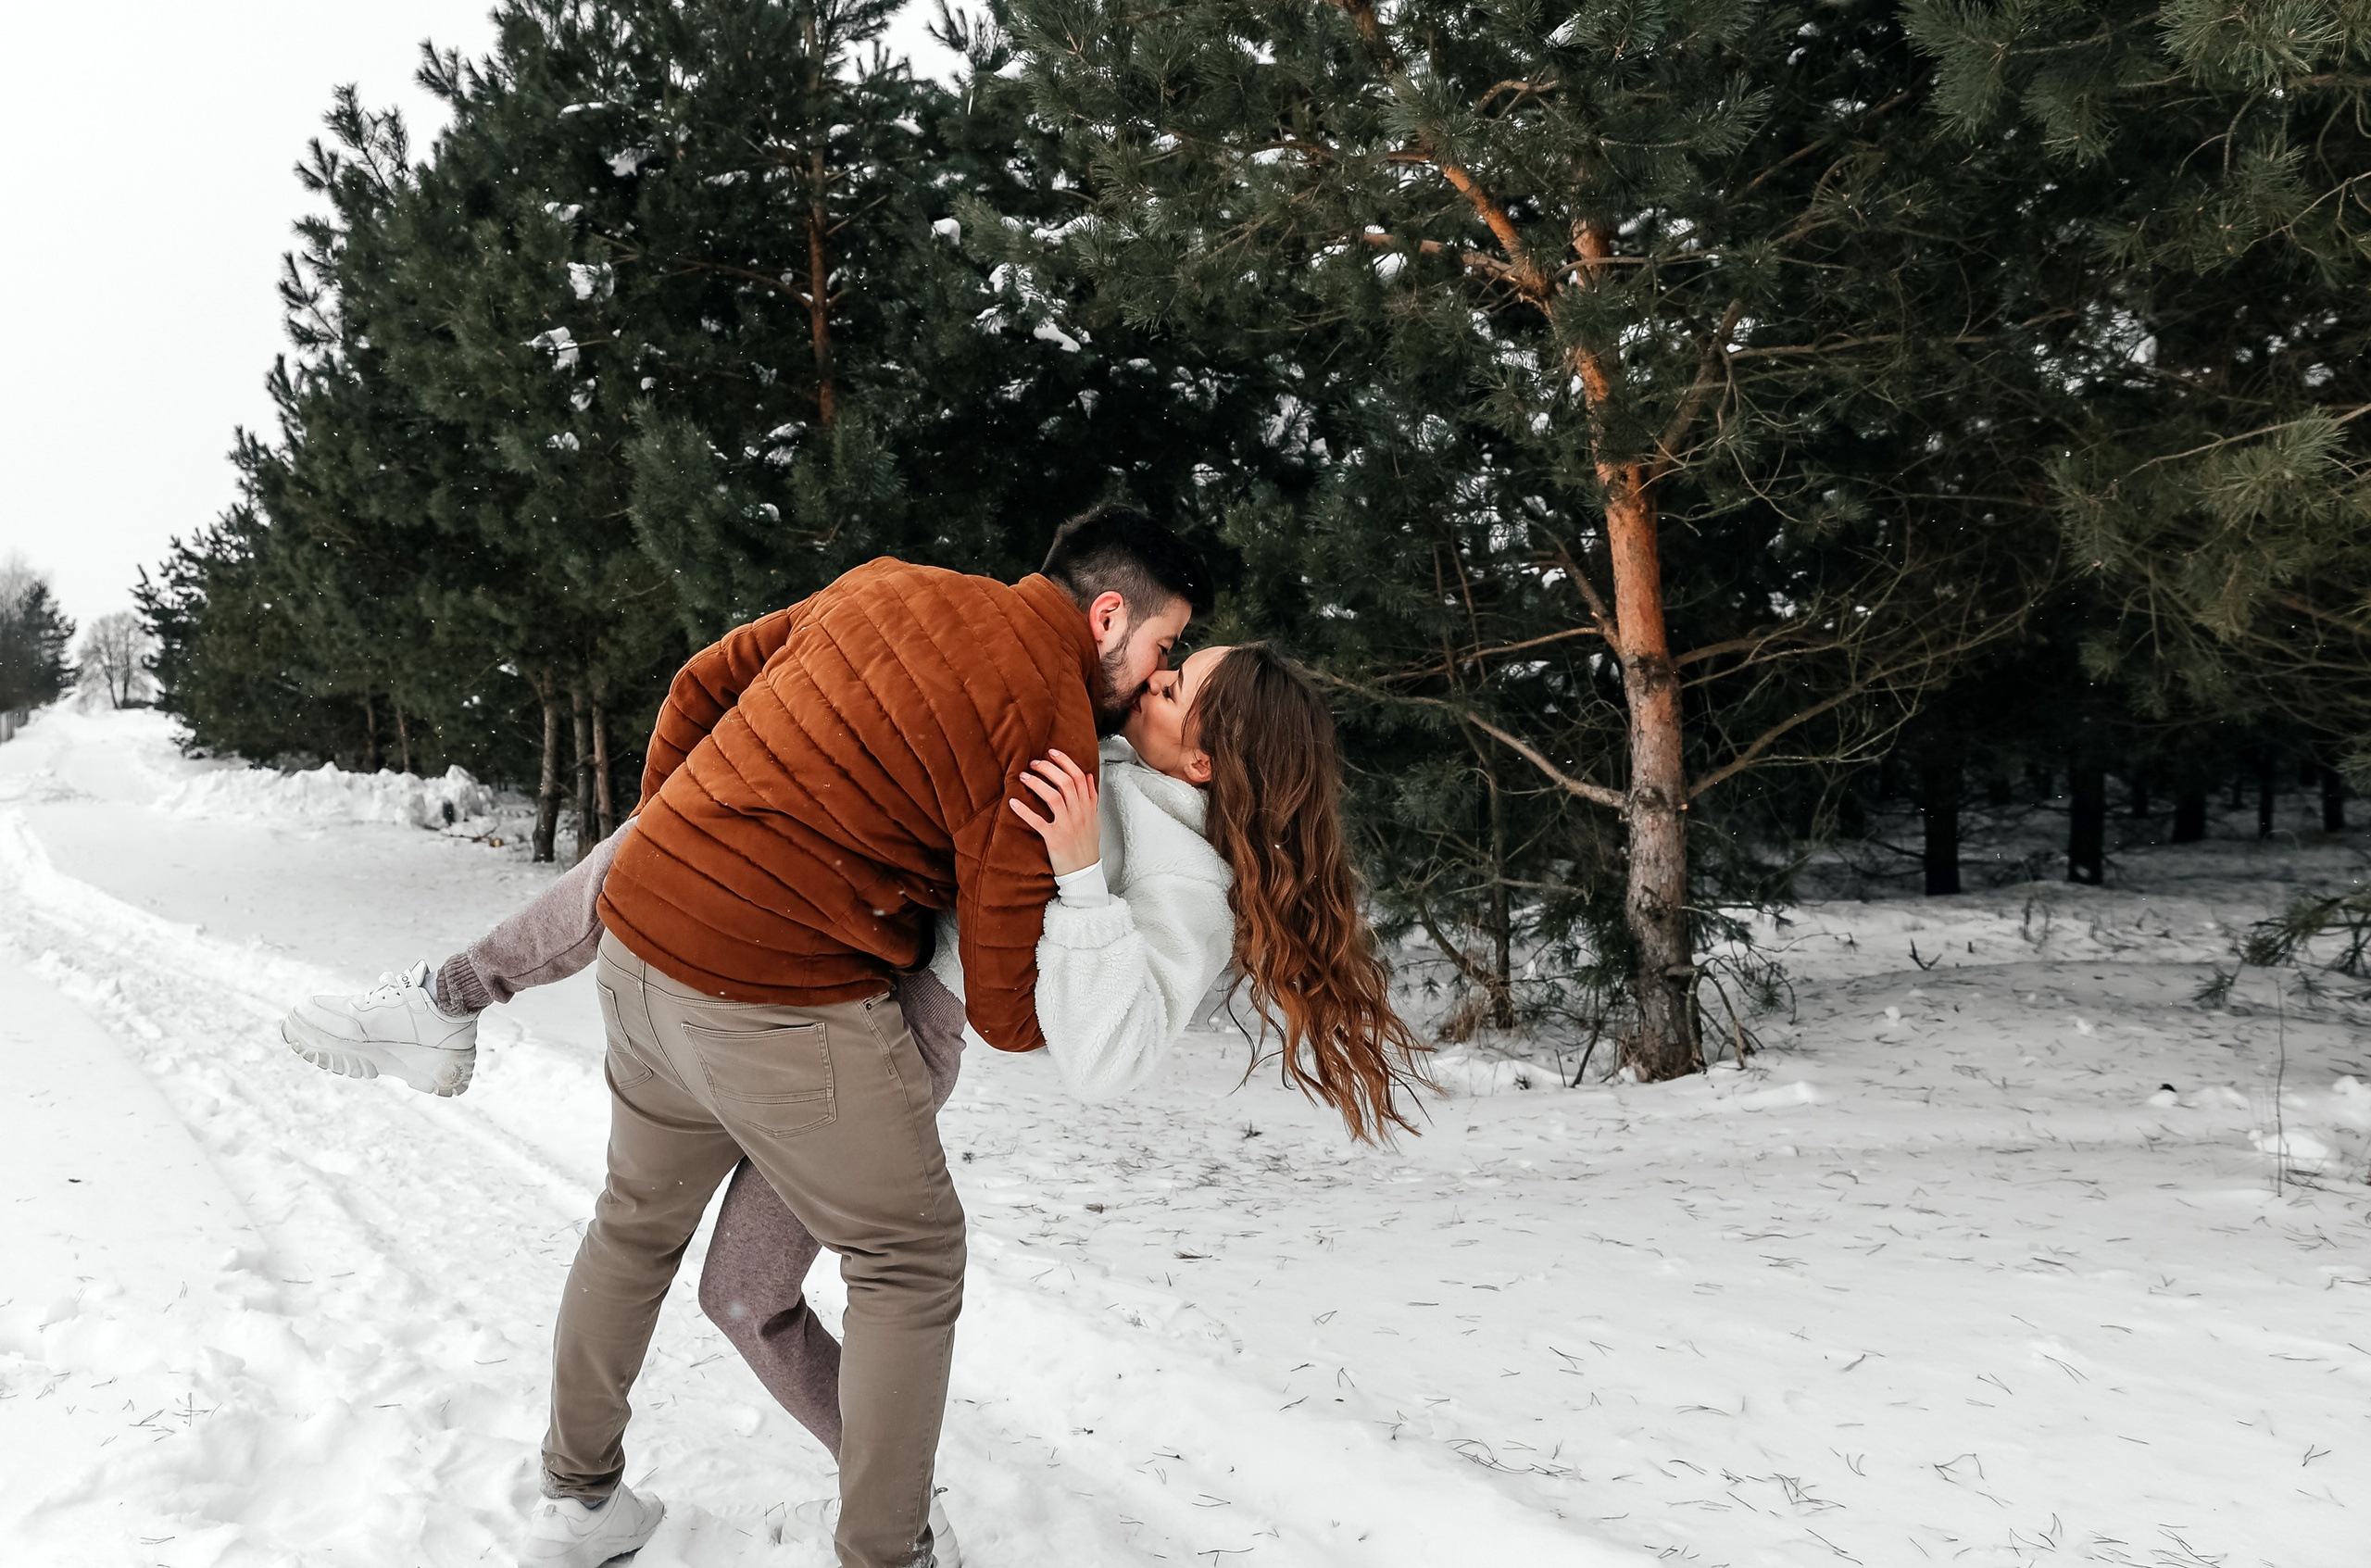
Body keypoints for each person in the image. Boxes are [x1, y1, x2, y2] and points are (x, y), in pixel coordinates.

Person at [284, 569, 1431, 1566]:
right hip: (830, 967)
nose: (1149, 685)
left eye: (1176, 685)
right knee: (737, 1263)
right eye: (1168, 664)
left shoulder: (1186, 881)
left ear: (1221, 754)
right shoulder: (1110, 748)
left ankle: (881, 1529)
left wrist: (1082, 876)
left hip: (887, 1025)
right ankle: (769, 1495)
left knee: (814, 1273)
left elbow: (1110, 1053)